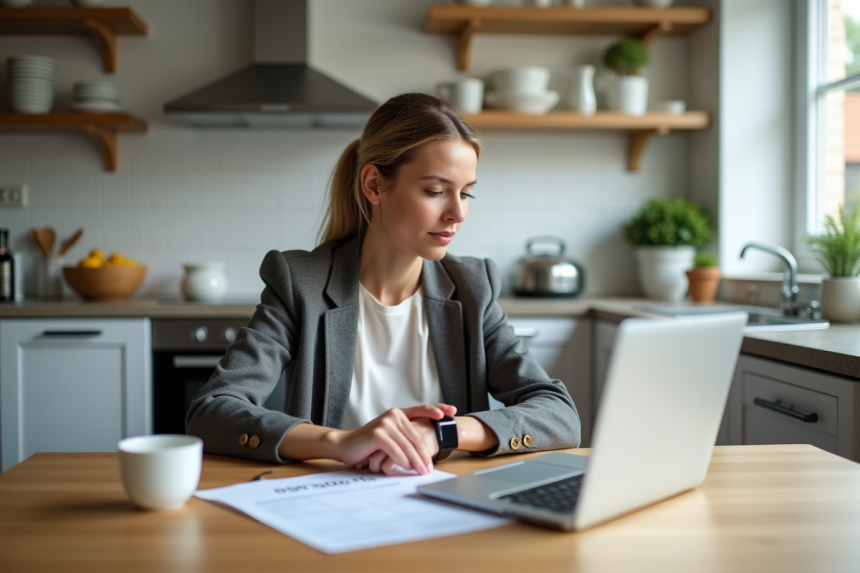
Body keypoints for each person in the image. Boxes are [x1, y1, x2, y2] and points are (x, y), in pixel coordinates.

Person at [186, 93, 581, 476]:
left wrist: (441, 432)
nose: (457, 213)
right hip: (328, 510)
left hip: (447, 509)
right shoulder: (299, 283)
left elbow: (559, 413)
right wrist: (339, 443)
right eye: (435, 191)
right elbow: (212, 410)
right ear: (374, 184)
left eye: (466, 193)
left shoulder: (472, 287)